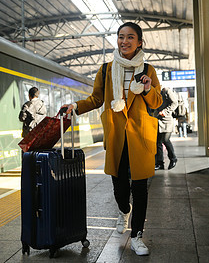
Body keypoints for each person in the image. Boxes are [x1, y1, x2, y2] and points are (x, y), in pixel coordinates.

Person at [61, 22, 162, 256]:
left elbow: (156, 102)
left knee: (140, 188)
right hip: (117, 135)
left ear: (139, 42)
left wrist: (147, 89)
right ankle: (123, 209)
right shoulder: (107, 69)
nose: (124, 41)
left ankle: (137, 235)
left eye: (130, 37)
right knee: (119, 186)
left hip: (140, 136)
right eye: (120, 37)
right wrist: (76, 106)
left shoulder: (148, 70)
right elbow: (96, 99)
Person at [154, 87, 178, 170]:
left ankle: (173, 159)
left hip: (167, 121)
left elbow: (175, 103)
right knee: (158, 143)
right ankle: (159, 163)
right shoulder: (153, 90)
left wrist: (165, 112)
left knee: (166, 140)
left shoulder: (166, 90)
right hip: (157, 121)